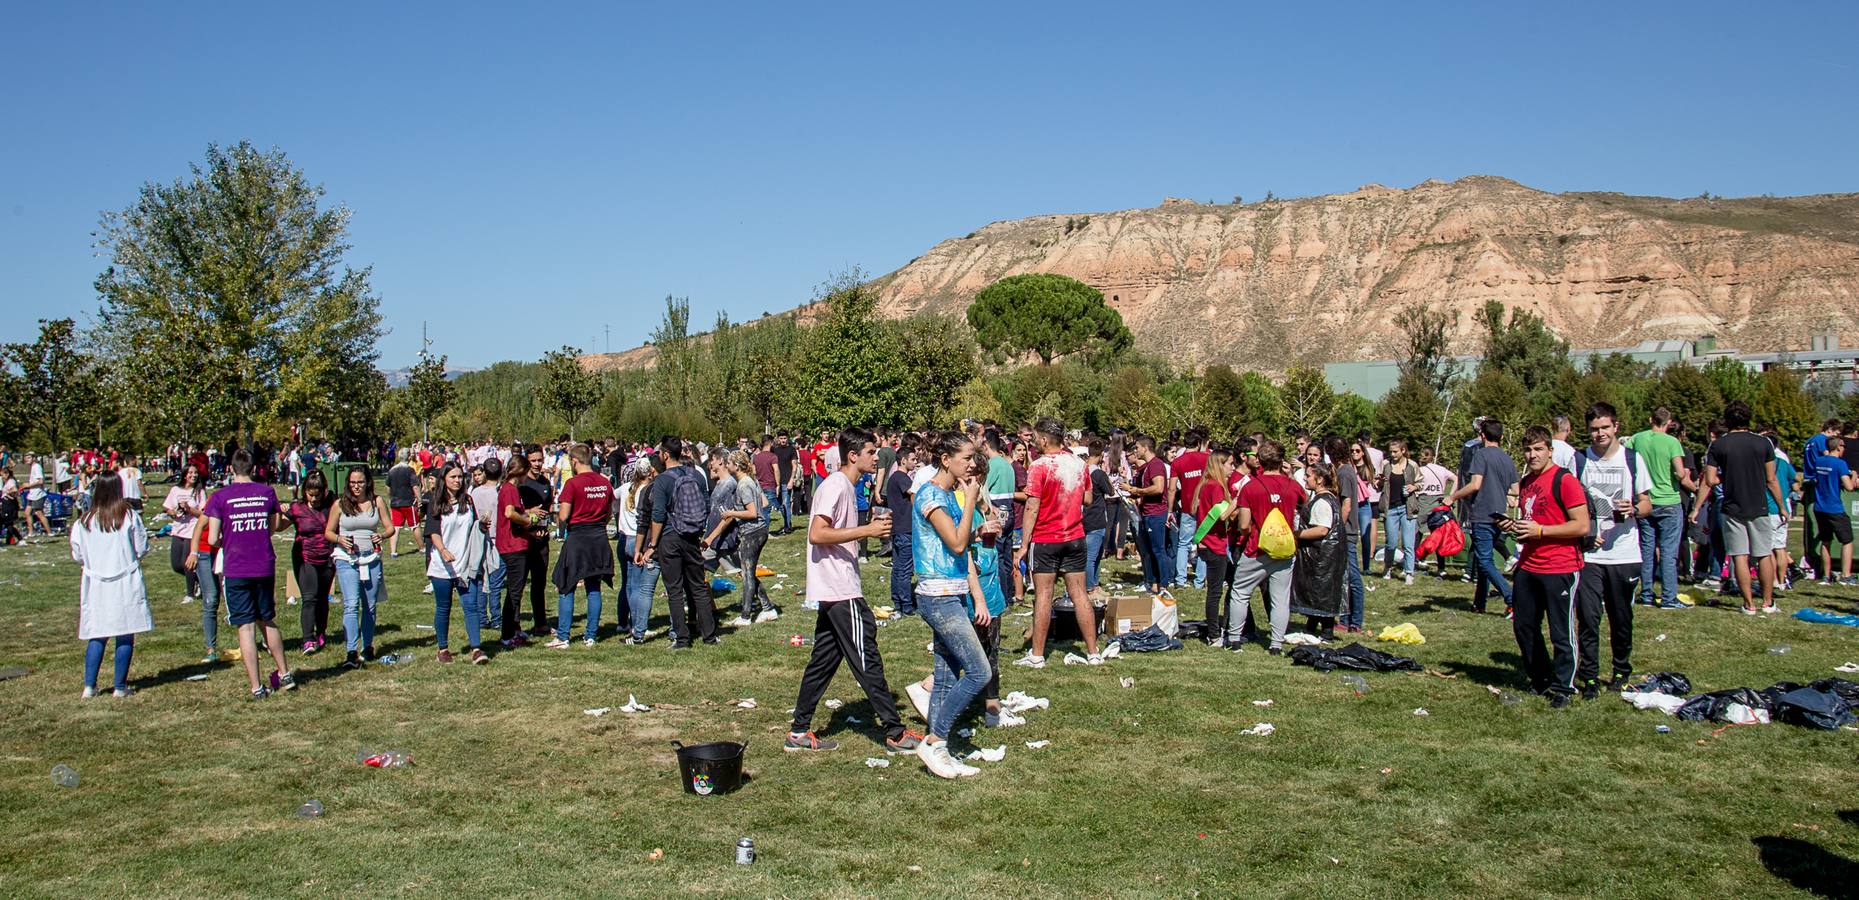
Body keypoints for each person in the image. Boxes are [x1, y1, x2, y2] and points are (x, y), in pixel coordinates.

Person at [784, 427, 924, 756]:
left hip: (836, 587)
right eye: (872, 453)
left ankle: (799, 731)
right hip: (840, 588)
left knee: (823, 662)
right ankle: (895, 732)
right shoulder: (835, 486)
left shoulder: (847, 486)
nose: (877, 458)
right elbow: (817, 533)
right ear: (853, 455)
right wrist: (867, 530)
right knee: (867, 657)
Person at [904, 431, 994, 777]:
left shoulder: (948, 495)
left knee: (945, 677)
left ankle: (938, 748)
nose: (973, 464)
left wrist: (984, 528)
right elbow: (956, 545)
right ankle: (935, 741)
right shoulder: (931, 496)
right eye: (967, 458)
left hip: (953, 591)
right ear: (946, 459)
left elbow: (962, 541)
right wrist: (971, 499)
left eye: (974, 458)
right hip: (937, 596)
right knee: (978, 671)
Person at [1502, 426, 1591, 707]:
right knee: (1524, 626)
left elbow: (1582, 525)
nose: (1532, 455)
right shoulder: (1527, 481)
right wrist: (1515, 526)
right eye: (1528, 450)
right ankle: (1540, 678)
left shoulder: (1564, 480)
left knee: (1560, 630)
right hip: (1530, 564)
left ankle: (1564, 687)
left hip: (1560, 565)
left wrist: (1541, 531)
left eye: (1538, 449)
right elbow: (1534, 520)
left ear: (1550, 450)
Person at [1572, 403, 1652, 695]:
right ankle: (1590, 675)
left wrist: (1634, 509)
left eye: (1605, 427)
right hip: (1589, 556)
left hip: (1625, 554)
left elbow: (1647, 502)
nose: (1600, 434)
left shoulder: (1633, 459)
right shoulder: (1579, 460)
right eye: (1594, 429)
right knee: (1589, 619)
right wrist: (1584, 534)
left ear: (1616, 427)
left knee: (1621, 619)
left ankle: (1621, 671)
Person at [203, 449, 294, 699]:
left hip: (237, 567)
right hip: (263, 564)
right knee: (267, 619)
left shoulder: (220, 497)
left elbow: (212, 538)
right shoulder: (266, 492)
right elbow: (274, 527)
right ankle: (284, 672)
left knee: (245, 626)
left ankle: (256, 686)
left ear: (231, 469)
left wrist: (230, 541)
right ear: (253, 469)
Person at [1012, 417, 1102, 668]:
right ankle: (1093, 652)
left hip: (1045, 538)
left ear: (1043, 439)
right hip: (1074, 536)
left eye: (1036, 439)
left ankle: (1037, 655)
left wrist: (1023, 545)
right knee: (1080, 594)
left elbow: (1031, 506)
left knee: (1043, 595)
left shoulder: (1039, 466)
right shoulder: (1078, 463)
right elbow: (1087, 498)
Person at [1692, 401, 1787, 615]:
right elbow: (1771, 479)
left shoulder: (1719, 446)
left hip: (1732, 505)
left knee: (1739, 555)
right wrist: (1782, 506)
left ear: (1727, 421)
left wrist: (1697, 508)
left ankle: (1748, 604)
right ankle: (1768, 602)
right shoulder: (1764, 444)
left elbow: (1709, 479)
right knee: (1763, 554)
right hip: (1759, 505)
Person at [71, 471, 153, 698]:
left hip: (97, 583)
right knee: (125, 632)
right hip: (124, 580)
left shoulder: (84, 522)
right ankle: (119, 686)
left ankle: (90, 685)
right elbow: (141, 546)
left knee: (98, 633)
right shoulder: (128, 516)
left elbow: (77, 553)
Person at [1224, 441, 1305, 652]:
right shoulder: (1292, 485)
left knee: (1240, 592)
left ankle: (1234, 639)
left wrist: (1248, 532)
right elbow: (1305, 504)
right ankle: (1276, 644)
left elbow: (1243, 524)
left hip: (1256, 548)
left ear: (1259, 460)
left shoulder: (1251, 486)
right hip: (1284, 549)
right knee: (1280, 598)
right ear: (1282, 461)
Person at [642, 437, 718, 648]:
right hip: (692, 536)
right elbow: (706, 503)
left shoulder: (663, 480)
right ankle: (710, 635)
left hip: (670, 537)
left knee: (674, 589)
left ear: (665, 455)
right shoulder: (695, 474)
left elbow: (657, 515)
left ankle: (682, 638)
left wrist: (652, 545)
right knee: (698, 587)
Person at [1623, 408, 1695, 608]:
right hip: (1669, 500)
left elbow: (1625, 454)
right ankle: (1669, 597)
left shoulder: (1638, 438)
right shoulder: (1672, 443)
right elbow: (1681, 474)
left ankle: (1646, 594)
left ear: (1650, 419)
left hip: (1645, 499)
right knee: (1668, 552)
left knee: (1647, 549)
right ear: (1669, 422)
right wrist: (1690, 484)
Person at [1447, 419, 1517, 616]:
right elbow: (1516, 489)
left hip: (1482, 514)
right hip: (1499, 515)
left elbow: (1475, 484)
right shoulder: (1507, 458)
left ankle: (1511, 598)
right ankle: (1479, 603)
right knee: (1482, 558)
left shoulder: (1481, 455)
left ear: (1482, 435)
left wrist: (1452, 497)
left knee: (1485, 561)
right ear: (1501, 437)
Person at [426, 463, 493, 663]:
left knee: (470, 605)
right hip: (442, 564)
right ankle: (443, 649)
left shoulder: (468, 500)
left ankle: (476, 649)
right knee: (443, 607)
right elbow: (433, 531)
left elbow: (472, 527)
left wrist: (481, 524)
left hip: (465, 564)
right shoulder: (436, 502)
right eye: (453, 477)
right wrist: (443, 550)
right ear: (444, 479)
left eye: (460, 477)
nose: (457, 481)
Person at [549, 445, 615, 648]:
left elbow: (563, 515)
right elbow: (609, 513)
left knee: (566, 585)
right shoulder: (604, 483)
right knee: (593, 586)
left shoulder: (572, 484)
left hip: (578, 537)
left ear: (574, 461)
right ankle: (591, 635)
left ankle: (563, 636)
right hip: (598, 536)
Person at [327, 466, 391, 668]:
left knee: (369, 605)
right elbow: (328, 531)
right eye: (353, 483)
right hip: (347, 559)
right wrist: (339, 538)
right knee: (351, 604)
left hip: (371, 558)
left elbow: (390, 527)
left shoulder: (377, 501)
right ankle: (351, 651)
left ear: (367, 482)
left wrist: (380, 535)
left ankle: (368, 646)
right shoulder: (339, 504)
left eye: (360, 482)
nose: (356, 486)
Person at [716, 450, 778, 626]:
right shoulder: (751, 481)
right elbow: (764, 503)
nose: (726, 466)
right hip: (758, 531)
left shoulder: (744, 484)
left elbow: (752, 512)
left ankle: (745, 616)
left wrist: (731, 513)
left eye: (728, 463)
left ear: (736, 465)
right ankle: (768, 609)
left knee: (747, 574)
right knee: (748, 573)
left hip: (752, 533)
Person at [1289, 463, 1346, 641]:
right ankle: (1311, 626)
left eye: (1308, 475)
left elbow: (1322, 530)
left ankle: (1327, 632)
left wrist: (1296, 534)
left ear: (1320, 480)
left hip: (1323, 556)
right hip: (1323, 554)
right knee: (1317, 590)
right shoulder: (1326, 498)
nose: (1305, 478)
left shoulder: (1322, 502)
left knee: (1322, 591)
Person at [494, 454, 546, 648]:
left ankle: (514, 628)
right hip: (513, 546)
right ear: (522, 472)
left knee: (517, 590)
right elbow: (509, 512)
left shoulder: (508, 488)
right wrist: (528, 520)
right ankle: (507, 635)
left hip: (514, 544)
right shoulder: (511, 489)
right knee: (514, 593)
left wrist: (528, 512)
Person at [286, 471, 335, 655]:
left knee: (323, 597)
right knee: (309, 597)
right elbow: (279, 524)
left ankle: (321, 632)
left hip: (327, 556)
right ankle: (307, 638)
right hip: (305, 557)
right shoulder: (297, 508)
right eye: (310, 494)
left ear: (324, 491)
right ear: (304, 491)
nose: (313, 499)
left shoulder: (332, 507)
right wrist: (278, 510)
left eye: (317, 494)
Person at [1190, 449, 1234, 637]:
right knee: (1215, 592)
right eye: (1230, 464)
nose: (1232, 468)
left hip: (1211, 543)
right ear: (1220, 465)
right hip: (1214, 544)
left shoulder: (1206, 484)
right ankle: (1214, 634)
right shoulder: (1215, 486)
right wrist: (1238, 501)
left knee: (1231, 585)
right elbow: (1221, 515)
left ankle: (1224, 626)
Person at [615, 460, 659, 644]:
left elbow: (612, 495)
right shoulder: (647, 491)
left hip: (624, 538)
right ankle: (636, 623)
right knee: (639, 587)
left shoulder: (625, 488)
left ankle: (622, 621)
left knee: (627, 583)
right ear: (649, 473)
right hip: (638, 540)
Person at [1809, 435, 1859, 586]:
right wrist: (1855, 474)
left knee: (1826, 541)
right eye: (1843, 447)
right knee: (1847, 541)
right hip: (1834, 507)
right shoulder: (1840, 464)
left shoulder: (1819, 461)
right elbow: (1849, 487)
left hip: (1819, 507)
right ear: (1838, 447)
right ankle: (1846, 575)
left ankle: (1826, 576)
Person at [1330, 436, 1367, 631]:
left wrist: (1338, 529)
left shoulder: (1344, 473)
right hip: (1348, 531)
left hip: (1347, 532)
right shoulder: (1347, 471)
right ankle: (1345, 620)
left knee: (1352, 578)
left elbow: (1346, 504)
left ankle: (1354, 621)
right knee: (1344, 577)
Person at [1127, 435, 1173, 595]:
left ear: (1145, 448)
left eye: (1137, 447)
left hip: (1156, 514)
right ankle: (1154, 583)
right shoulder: (1147, 466)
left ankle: (1164, 584)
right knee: (1152, 550)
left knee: (1158, 550)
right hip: (1147, 512)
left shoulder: (1156, 465)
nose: (1135, 451)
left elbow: (1159, 487)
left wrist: (1138, 491)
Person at [1169, 427, 1211, 592]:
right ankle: (1199, 581)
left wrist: (1169, 510)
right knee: (1203, 542)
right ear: (1199, 443)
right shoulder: (1207, 459)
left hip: (1187, 506)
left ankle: (1180, 579)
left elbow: (1172, 488)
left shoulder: (1177, 462)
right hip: (1205, 507)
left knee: (1183, 543)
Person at [883, 435, 920, 616]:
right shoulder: (901, 477)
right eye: (912, 459)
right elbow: (915, 495)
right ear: (903, 460)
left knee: (898, 568)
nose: (915, 462)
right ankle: (906, 605)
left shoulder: (894, 478)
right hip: (906, 528)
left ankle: (897, 601)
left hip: (897, 528)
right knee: (905, 569)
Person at [468, 459, 506, 631]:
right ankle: (496, 617)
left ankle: (482, 617)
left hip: (479, 538)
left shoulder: (475, 493)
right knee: (495, 580)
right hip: (496, 539)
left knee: (482, 579)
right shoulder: (500, 493)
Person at [1378, 440, 1421, 584]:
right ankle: (1388, 567)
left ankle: (1409, 572)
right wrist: (1379, 481)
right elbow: (1377, 483)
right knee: (1391, 543)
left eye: (1395, 451)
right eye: (1391, 451)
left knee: (1408, 543)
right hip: (1390, 508)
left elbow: (1421, 482)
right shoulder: (1385, 465)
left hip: (1407, 508)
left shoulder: (1412, 465)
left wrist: (1413, 487)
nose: (1392, 454)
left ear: (1403, 451)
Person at [163, 464, 206, 602]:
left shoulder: (199, 492)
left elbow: (203, 514)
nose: (194, 475)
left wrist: (189, 509)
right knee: (176, 565)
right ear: (184, 475)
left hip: (192, 530)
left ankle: (190, 594)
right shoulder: (175, 489)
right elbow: (167, 507)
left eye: (196, 473)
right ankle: (200, 580)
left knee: (187, 563)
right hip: (177, 529)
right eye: (190, 473)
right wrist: (172, 512)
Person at [1083, 440, 1114, 604]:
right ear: (1101, 454)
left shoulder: (1083, 470)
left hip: (1086, 517)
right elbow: (1110, 491)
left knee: (1093, 555)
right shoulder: (1098, 474)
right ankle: (1090, 588)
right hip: (1097, 518)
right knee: (1092, 556)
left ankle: (1094, 585)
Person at [385, 448, 418, 558]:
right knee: (415, 525)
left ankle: (393, 552)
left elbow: (387, 487)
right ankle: (422, 547)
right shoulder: (410, 470)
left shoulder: (392, 470)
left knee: (396, 527)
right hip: (408, 502)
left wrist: (391, 497)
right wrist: (420, 499)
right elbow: (415, 486)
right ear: (409, 457)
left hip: (395, 502)